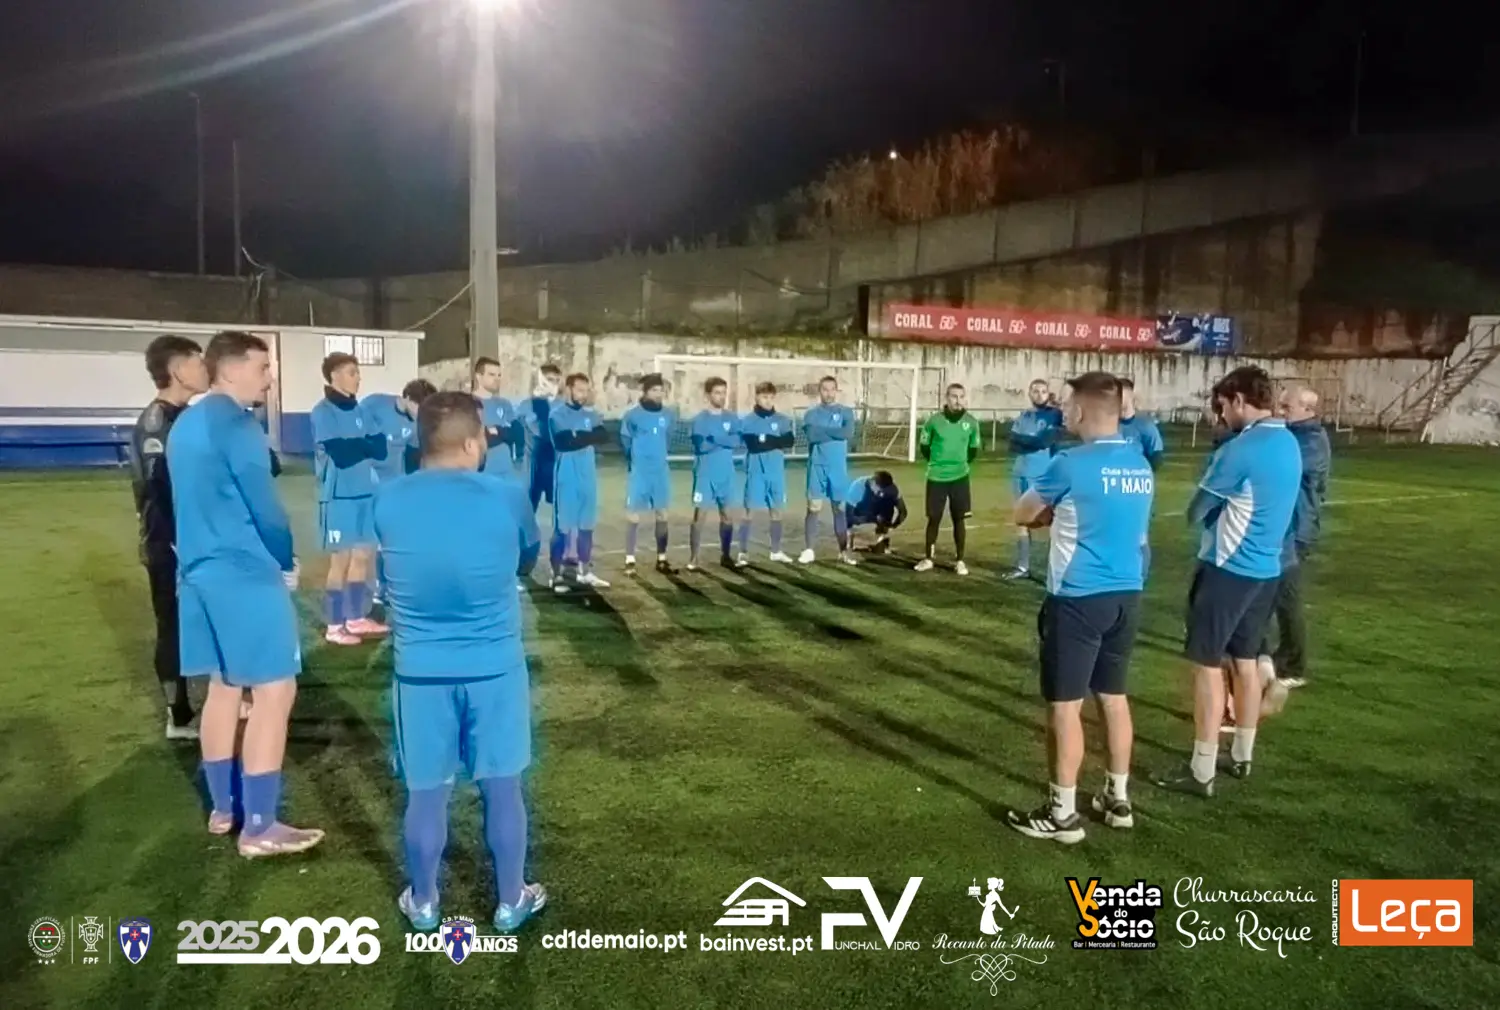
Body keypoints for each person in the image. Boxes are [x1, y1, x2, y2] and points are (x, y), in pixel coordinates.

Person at [374, 392, 546, 934]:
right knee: (502, 786)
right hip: (494, 667)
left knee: (426, 793)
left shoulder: (388, 500)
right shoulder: (507, 496)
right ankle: (511, 899)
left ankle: (424, 902)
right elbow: (527, 557)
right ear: (473, 442)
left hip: (420, 672)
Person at [169, 330, 322, 857]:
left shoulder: (186, 422)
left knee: (225, 687)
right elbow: (265, 507)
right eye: (262, 367)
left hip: (196, 571)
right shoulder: (237, 425)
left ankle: (224, 808)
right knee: (275, 691)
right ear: (230, 369)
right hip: (242, 571)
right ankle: (259, 826)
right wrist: (285, 560)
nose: (269, 378)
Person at [1007, 372, 1154, 844]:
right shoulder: (1139, 464)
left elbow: (1023, 512)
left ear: (1084, 411)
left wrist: (1050, 515)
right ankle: (1117, 798)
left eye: (1070, 405)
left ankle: (1062, 815)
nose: (1064, 411)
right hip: (1126, 595)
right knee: (1113, 697)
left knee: (1065, 707)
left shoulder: (1069, 464)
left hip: (1077, 598)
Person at [1155, 366, 1301, 797]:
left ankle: (1202, 769)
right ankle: (1242, 755)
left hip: (1227, 569)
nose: (1220, 416)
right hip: (1266, 569)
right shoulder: (1289, 441)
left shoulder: (1240, 450)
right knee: (1246, 660)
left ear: (1239, 400)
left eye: (1222, 407)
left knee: (1206, 665)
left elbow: (1196, 511)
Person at [131, 334, 211, 740]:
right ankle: (179, 716)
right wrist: (181, 539)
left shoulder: (187, 417)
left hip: (195, 540)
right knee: (173, 627)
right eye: (198, 361)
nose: (205, 368)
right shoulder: (157, 423)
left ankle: (228, 695)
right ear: (178, 370)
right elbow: (158, 488)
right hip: (170, 545)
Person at [311, 353, 389, 645]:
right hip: (338, 496)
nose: (358, 377)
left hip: (366, 493)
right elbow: (341, 455)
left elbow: (380, 449)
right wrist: (362, 445)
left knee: (363, 556)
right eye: (352, 372)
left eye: (358, 372)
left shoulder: (361, 410)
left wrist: (358, 445)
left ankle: (355, 618)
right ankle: (334, 626)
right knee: (340, 561)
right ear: (334, 376)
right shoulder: (323, 412)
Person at [1258, 385, 1331, 691]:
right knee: (1271, 596)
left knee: (1285, 600)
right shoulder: (1294, 437)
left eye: (1287, 407)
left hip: (1297, 530)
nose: (1280, 411)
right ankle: (1267, 654)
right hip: (1286, 528)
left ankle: (1293, 664)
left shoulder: (1311, 441)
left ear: (1308, 410)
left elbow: (1280, 466)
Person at [359, 379, 436, 604]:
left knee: (391, 540)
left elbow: (416, 454)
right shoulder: (373, 405)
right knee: (366, 542)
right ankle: (367, 590)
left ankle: (386, 587)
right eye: (420, 408)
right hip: (367, 485)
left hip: (394, 487)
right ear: (408, 399)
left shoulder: (416, 423)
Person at [547, 373, 611, 591]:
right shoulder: (557, 415)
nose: (584, 395)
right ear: (569, 390)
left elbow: (604, 436)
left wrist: (579, 436)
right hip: (567, 478)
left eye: (586, 390)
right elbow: (564, 442)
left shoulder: (590, 414)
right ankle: (556, 575)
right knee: (562, 529)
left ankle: (585, 572)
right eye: (579, 390)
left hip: (587, 477)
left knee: (587, 527)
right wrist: (587, 436)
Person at [914, 383, 981, 576]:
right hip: (936, 477)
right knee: (933, 518)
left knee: (959, 519)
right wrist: (938, 463)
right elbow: (924, 446)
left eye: (961, 396)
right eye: (954, 396)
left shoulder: (971, 422)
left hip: (960, 478)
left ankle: (960, 561)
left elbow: (973, 450)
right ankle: (928, 558)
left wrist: (959, 465)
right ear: (946, 398)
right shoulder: (934, 421)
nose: (958, 400)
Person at [1005, 379, 1064, 580]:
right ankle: (1023, 567)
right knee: (1021, 520)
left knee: (1051, 521)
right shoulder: (1024, 416)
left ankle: (1056, 569)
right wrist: (1030, 442)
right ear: (1029, 394)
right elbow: (1012, 443)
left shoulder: (1054, 415)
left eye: (1043, 391)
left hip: (1043, 475)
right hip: (1020, 473)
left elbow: (1043, 441)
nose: (1039, 395)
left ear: (1048, 394)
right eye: (1035, 391)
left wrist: (1026, 441)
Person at [620, 373, 677, 574]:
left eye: (661, 390)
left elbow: (668, 438)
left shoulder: (668, 415)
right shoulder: (632, 415)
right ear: (645, 392)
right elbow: (625, 440)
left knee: (662, 513)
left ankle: (662, 558)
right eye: (654, 390)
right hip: (640, 471)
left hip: (660, 471)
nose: (659, 394)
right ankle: (630, 559)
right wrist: (635, 460)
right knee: (633, 514)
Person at [799, 377, 857, 565]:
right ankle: (809, 550)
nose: (829, 393)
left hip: (838, 469)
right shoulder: (811, 414)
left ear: (836, 391)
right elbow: (812, 435)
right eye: (825, 389)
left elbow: (847, 433)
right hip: (817, 467)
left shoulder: (846, 412)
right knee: (813, 508)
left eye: (832, 389)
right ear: (820, 391)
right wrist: (835, 432)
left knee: (839, 510)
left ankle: (843, 551)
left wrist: (823, 431)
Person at [688, 377, 743, 570]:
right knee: (699, 516)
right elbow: (701, 446)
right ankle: (694, 558)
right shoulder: (700, 420)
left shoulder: (731, 418)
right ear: (708, 395)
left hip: (726, 474)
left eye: (724, 393)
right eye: (717, 393)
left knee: (727, 516)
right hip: (705, 475)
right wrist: (724, 440)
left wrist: (714, 438)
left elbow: (737, 442)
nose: (722, 397)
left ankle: (726, 555)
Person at [739, 381, 796, 564]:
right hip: (755, 472)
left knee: (777, 511)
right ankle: (743, 552)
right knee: (749, 511)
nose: (768, 401)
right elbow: (753, 445)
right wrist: (775, 440)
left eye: (771, 397)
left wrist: (766, 440)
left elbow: (789, 441)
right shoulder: (748, 421)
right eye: (764, 397)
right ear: (756, 397)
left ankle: (776, 551)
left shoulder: (782, 420)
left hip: (776, 473)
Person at [519, 363, 564, 513]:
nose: (553, 384)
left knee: (561, 509)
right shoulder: (527, 405)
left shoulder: (563, 406)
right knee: (529, 507)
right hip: (533, 465)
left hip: (555, 464)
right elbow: (530, 430)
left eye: (556, 380)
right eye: (549, 380)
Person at [473, 357, 522, 477]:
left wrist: (498, 431)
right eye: (491, 375)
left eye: (499, 375)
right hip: (480, 472)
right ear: (479, 376)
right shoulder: (467, 403)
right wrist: (498, 434)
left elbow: (517, 433)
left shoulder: (504, 404)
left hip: (506, 471)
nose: (497, 379)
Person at [843, 471, 907, 552]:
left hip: (877, 509)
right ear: (873, 483)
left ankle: (881, 540)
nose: (882, 493)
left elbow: (903, 512)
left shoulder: (892, 490)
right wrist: (871, 518)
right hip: (861, 509)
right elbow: (848, 516)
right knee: (848, 520)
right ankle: (850, 539)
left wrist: (891, 526)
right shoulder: (858, 487)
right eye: (880, 490)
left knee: (888, 504)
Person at [1117, 378, 1165, 469]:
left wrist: (1141, 473)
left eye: (1120, 394)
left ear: (1131, 396)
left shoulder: (1146, 426)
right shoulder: (1108, 425)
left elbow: (1156, 457)